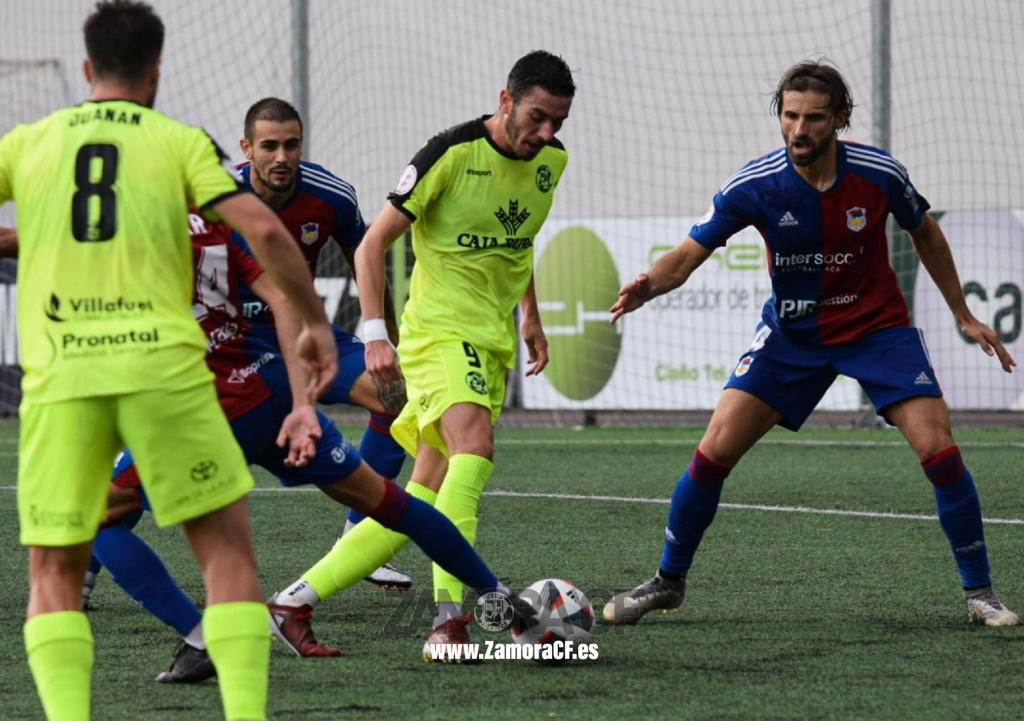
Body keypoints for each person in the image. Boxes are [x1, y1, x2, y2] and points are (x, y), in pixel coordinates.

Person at [0, 2, 337, 720]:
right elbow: (263, 231)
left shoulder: (29, 142)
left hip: (65, 376)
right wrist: (315, 321)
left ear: (87, 69)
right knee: (226, 556)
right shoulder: (180, 143)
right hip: (168, 373)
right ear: (157, 72)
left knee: (55, 570)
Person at [603, 60, 1019, 628]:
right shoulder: (752, 185)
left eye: (814, 118)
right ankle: (668, 582)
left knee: (939, 449)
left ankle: (981, 594)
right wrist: (649, 286)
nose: (799, 130)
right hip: (793, 336)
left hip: (877, 330)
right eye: (790, 116)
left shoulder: (878, 173)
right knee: (714, 451)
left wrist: (962, 313)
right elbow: (686, 256)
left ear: (840, 120)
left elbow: (924, 230)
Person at [90, 214, 536, 679]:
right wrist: (304, 400)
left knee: (97, 515)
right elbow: (282, 298)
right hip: (275, 394)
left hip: (207, 411)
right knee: (392, 502)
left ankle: (203, 639)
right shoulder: (217, 225)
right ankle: (499, 596)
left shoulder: (128, 237)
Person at [298, 49, 574, 659]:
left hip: (491, 339)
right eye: (537, 116)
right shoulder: (449, 153)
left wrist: (530, 313)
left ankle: (295, 601)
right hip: (440, 334)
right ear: (506, 101)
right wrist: (374, 334)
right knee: (474, 449)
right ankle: (451, 620)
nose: (546, 132)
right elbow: (371, 247)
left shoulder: (553, 162)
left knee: (422, 490)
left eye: (558, 121)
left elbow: (518, 242)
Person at [236, 98, 411, 589]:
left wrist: (387, 338)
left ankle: (360, 543)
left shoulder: (330, 195)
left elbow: (367, 260)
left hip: (303, 340)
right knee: (152, 447)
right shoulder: (215, 194)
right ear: (246, 148)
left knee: (395, 395)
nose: (281, 157)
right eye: (268, 146)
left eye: (291, 145)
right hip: (231, 346)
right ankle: (90, 567)